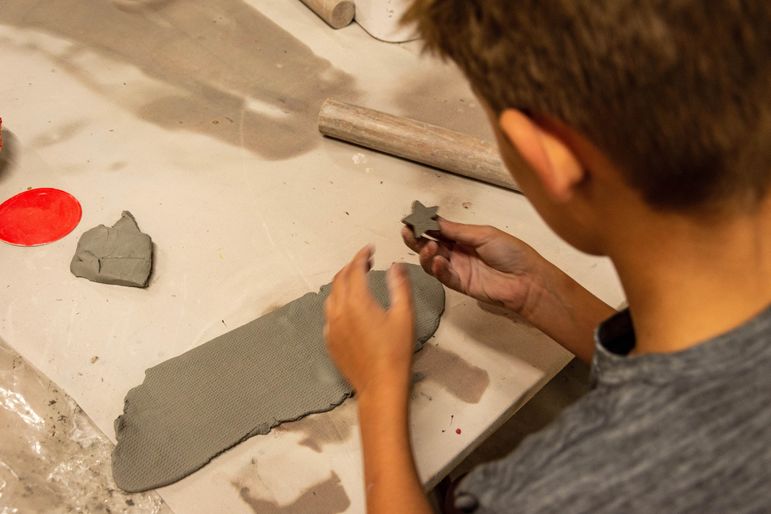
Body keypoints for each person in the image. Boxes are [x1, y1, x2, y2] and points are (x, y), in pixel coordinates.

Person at [323, 1, 771, 512]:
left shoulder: (573, 491)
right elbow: (718, 385)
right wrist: (542, 296)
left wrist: (379, 390)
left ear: (544, 156)